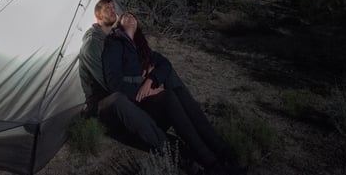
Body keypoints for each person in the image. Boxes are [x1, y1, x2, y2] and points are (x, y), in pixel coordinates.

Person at [103, 11, 245, 175]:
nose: (129, 17)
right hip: (134, 104)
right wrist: (143, 89)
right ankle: (210, 163)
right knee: (169, 96)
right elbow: (114, 82)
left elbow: (165, 63)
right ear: (120, 24)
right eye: (124, 17)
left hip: (149, 100)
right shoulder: (114, 43)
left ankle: (223, 152)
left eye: (132, 16)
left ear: (137, 24)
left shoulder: (140, 46)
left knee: (177, 91)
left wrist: (151, 80)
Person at [78, 0, 167, 150]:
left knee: (160, 83)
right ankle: (166, 147)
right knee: (120, 98)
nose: (113, 11)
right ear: (98, 16)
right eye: (107, 9)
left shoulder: (114, 38)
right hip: (101, 102)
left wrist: (148, 78)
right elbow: (110, 84)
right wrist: (144, 86)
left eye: (114, 8)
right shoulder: (93, 43)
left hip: (121, 92)